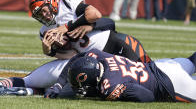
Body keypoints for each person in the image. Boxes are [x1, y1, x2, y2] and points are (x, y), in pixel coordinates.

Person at [0, 0, 151, 95]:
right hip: (85, 61)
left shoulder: (67, 1)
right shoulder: (44, 31)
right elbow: (70, 55)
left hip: (112, 46)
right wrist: (49, 51)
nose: (45, 16)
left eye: (45, 10)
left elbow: (96, 15)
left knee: (148, 74)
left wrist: (67, 27)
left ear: (52, 2)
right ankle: (9, 84)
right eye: (40, 14)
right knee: (40, 79)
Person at [45, 48, 196, 102]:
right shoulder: (99, 56)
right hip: (161, 65)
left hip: (171, 84)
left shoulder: (110, 86)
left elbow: (147, 96)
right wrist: (58, 84)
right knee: (192, 61)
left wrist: (108, 95)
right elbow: (77, 59)